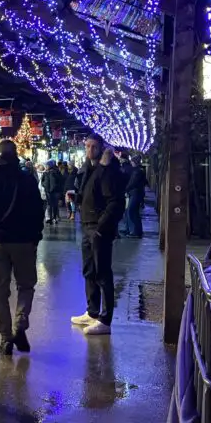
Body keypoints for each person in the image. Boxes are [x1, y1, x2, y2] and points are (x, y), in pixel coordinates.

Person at [0, 140, 43, 355]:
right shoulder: (27, 179)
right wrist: (36, 236)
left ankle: (5, 337)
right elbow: (38, 210)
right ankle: (20, 322)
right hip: (24, 242)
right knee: (26, 286)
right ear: (16, 154)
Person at [70, 135, 127, 336]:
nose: (89, 149)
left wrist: (101, 228)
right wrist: (77, 198)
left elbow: (114, 202)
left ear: (101, 148)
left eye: (93, 146)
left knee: (102, 273)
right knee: (89, 270)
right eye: (87, 146)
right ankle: (92, 311)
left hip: (97, 229)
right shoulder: (90, 169)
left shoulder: (107, 171)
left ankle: (105, 319)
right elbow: (91, 195)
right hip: (88, 226)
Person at [122, 156, 147, 238]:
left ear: (134, 162)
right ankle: (138, 231)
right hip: (137, 193)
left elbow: (132, 183)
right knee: (135, 212)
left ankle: (134, 231)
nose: (131, 163)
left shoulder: (137, 172)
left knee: (131, 211)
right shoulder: (140, 170)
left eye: (132, 162)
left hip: (135, 193)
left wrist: (125, 189)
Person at [41, 160, 65, 225]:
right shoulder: (45, 173)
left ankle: (54, 217)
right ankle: (50, 218)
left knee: (54, 205)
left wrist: (56, 187)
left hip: (55, 192)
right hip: (48, 191)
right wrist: (45, 186)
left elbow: (61, 181)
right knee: (49, 205)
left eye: (47, 165)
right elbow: (42, 181)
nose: (46, 166)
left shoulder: (56, 172)